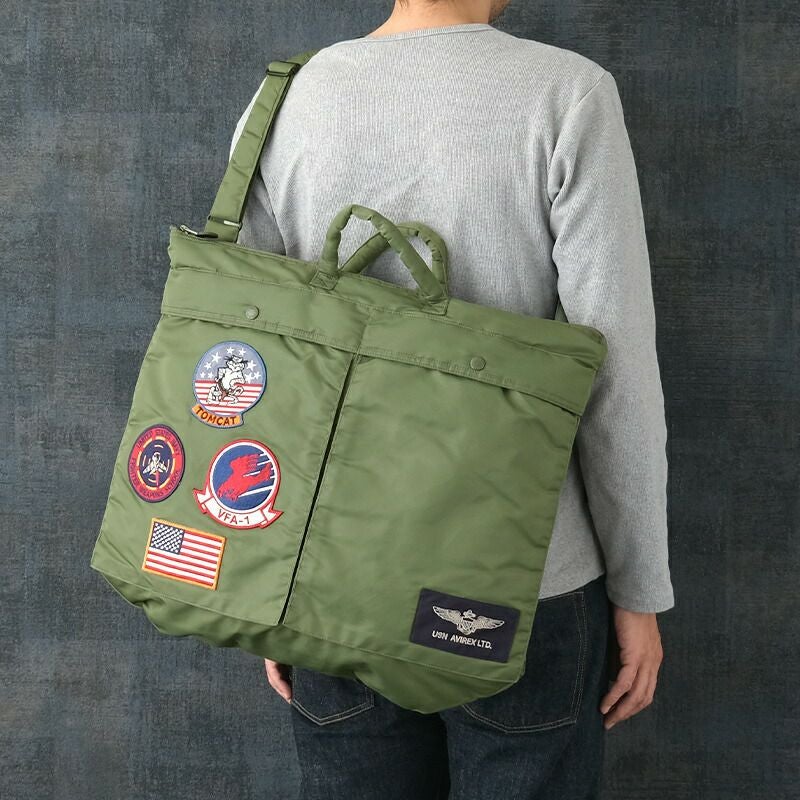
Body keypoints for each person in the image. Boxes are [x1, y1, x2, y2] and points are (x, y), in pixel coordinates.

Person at [228, 1, 675, 797]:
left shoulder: (289, 98)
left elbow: (255, 364)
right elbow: (616, 370)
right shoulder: (566, 93)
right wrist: (638, 591)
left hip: (330, 580)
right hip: (524, 580)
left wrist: (266, 584)